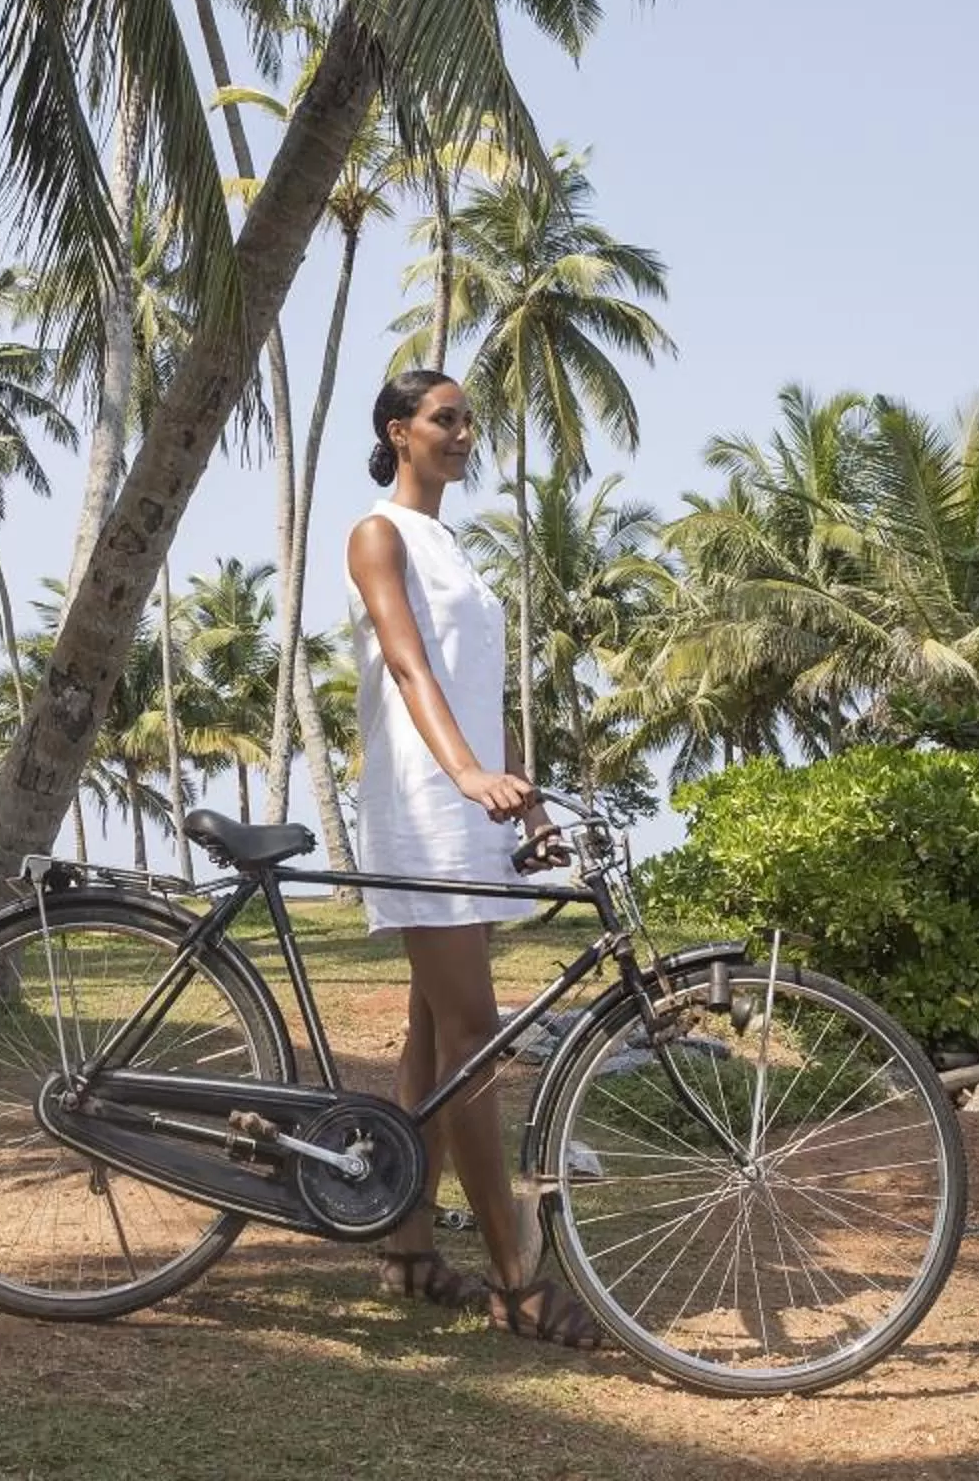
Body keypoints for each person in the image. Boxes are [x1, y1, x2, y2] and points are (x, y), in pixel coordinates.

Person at [346, 367, 602, 1350]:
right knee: (474, 1038)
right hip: (423, 801)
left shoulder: (451, 545)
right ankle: (517, 1281)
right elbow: (408, 661)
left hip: (467, 803)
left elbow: (469, 682)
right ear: (399, 430)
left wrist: (516, 790)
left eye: (468, 421)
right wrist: (464, 776)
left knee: (433, 1040)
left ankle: (407, 1246)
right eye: (445, 419)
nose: (464, 433)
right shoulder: (379, 534)